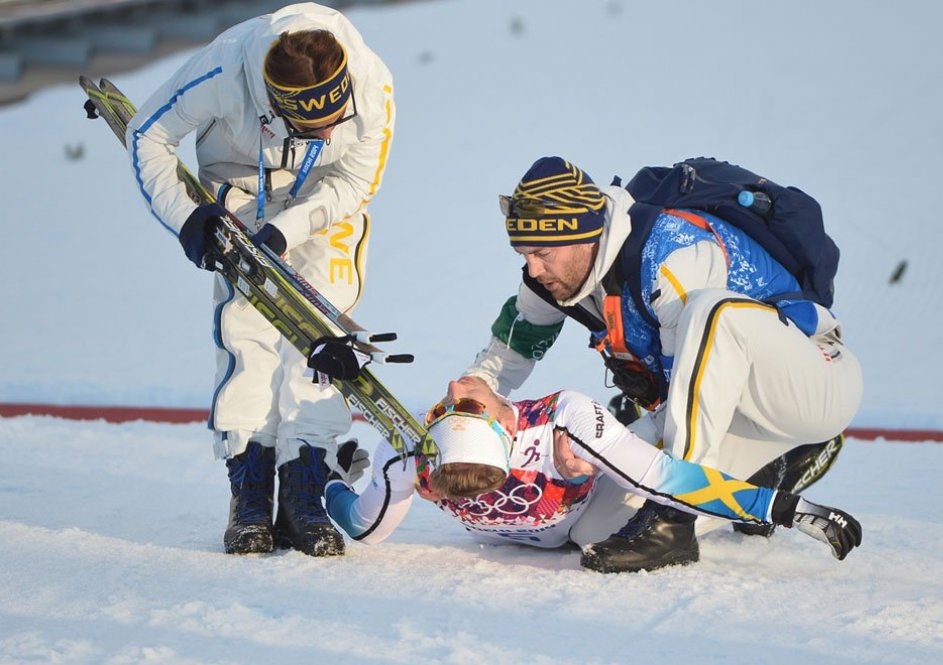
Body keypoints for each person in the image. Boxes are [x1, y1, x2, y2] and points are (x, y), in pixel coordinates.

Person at [461, 156, 863, 572]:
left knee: (713, 313)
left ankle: (675, 520)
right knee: (595, 530)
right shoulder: (554, 279)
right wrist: (468, 405)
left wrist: (605, 446)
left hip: (813, 381)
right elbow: (507, 355)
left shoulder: (671, 254)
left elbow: (681, 397)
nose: (533, 268)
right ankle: (767, 468)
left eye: (543, 252)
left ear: (585, 237)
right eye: (523, 253)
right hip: (728, 413)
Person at [124, 3, 393, 556]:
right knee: (248, 335)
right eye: (308, 122)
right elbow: (146, 134)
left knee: (322, 338)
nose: (325, 128)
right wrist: (186, 216)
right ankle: (249, 495)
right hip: (239, 197)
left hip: (324, 204)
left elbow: (356, 183)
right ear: (274, 103)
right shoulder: (224, 69)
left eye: (332, 120)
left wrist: (287, 230)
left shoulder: (372, 82)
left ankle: (304, 491)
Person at [318, 376, 861, 568]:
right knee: (630, 508)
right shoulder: (558, 421)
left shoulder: (417, 461)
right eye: (463, 404)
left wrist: (328, 482)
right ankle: (773, 469)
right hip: (584, 512)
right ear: (501, 426)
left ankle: (761, 460)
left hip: (580, 504)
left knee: (618, 504)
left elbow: (365, 525)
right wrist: (789, 510)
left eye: (451, 403)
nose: (457, 388)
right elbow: (668, 479)